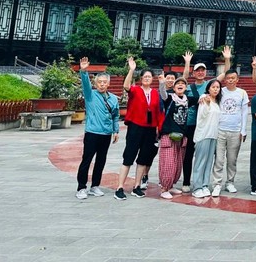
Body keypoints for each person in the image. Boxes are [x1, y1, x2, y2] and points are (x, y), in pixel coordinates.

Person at [181, 48, 229, 194]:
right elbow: (183, 79)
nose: (200, 73)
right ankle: (187, 181)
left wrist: (227, 59)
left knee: (207, 157)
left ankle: (203, 184)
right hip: (192, 123)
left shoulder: (210, 85)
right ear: (194, 73)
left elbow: (224, 74)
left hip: (208, 126)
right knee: (189, 154)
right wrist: (187, 63)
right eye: (197, 71)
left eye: (203, 70)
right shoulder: (189, 87)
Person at [115, 57, 161, 201]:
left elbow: (157, 112)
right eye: (145, 76)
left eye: (149, 76)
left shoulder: (155, 93)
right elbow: (126, 86)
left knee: (143, 159)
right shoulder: (135, 90)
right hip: (135, 127)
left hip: (150, 129)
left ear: (152, 79)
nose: (147, 78)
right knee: (129, 157)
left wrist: (157, 128)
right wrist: (131, 70)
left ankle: (137, 186)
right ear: (141, 78)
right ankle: (120, 187)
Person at [76, 57, 119, 199]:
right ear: (96, 83)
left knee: (101, 161)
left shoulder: (113, 98)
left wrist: (116, 130)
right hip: (92, 133)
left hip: (106, 134)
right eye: (99, 82)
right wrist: (83, 71)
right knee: (87, 160)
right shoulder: (90, 95)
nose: (102, 84)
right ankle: (81, 187)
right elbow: (85, 84)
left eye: (104, 82)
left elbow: (115, 116)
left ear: (108, 84)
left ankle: (95, 186)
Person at [210, 67, 249, 197]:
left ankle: (230, 182)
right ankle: (217, 184)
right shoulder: (220, 91)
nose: (230, 80)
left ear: (237, 79)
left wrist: (243, 130)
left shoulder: (242, 93)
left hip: (235, 131)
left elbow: (245, 112)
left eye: (233, 78)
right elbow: (210, 87)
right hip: (220, 130)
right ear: (224, 80)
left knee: (232, 159)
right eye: (228, 78)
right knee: (219, 159)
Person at [158, 75, 194, 199]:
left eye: (183, 84)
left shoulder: (187, 99)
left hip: (181, 136)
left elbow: (200, 98)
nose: (180, 85)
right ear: (173, 88)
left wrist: (204, 97)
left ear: (186, 87)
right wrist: (162, 83)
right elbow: (163, 93)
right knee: (168, 163)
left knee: (178, 163)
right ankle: (164, 188)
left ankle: (171, 185)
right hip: (169, 135)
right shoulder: (169, 98)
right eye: (178, 84)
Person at [191, 78, 222, 198]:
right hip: (203, 135)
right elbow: (203, 114)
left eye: (218, 87)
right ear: (208, 88)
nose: (215, 89)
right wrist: (207, 103)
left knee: (209, 162)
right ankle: (197, 187)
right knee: (200, 162)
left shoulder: (217, 102)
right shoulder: (204, 98)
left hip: (213, 136)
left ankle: (204, 185)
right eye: (213, 87)